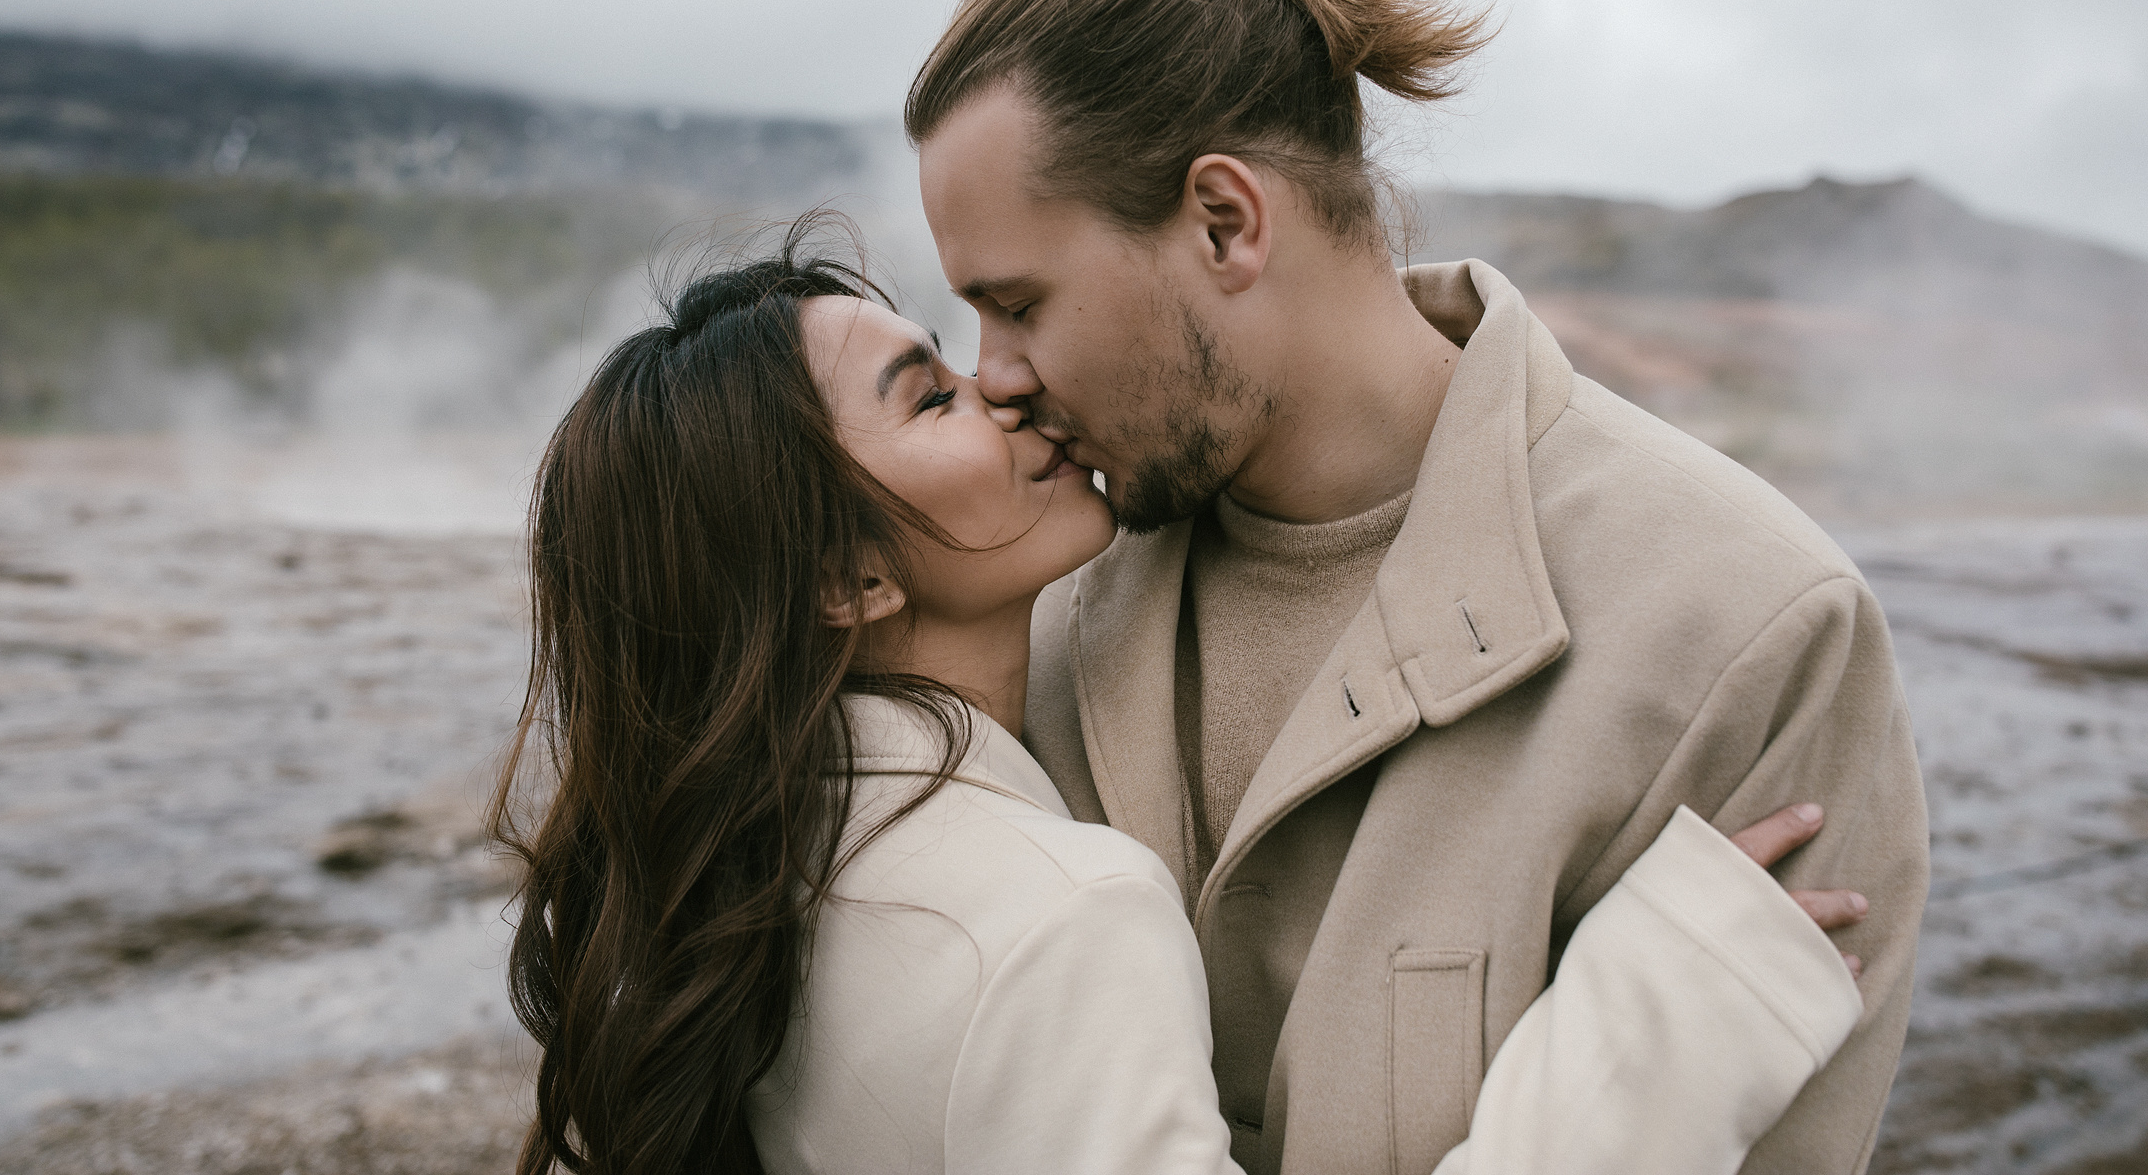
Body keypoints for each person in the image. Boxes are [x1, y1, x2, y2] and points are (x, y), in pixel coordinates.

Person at [906, 0, 1929, 1174]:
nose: (996, 381)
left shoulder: (1755, 634)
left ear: (1226, 220)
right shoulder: (1029, 613)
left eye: (1017, 303)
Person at [494, 225, 1870, 1175]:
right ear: (844, 578)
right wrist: (1661, 1020)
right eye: (929, 398)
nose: (1005, 389)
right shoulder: (1055, 920)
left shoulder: (740, 880)